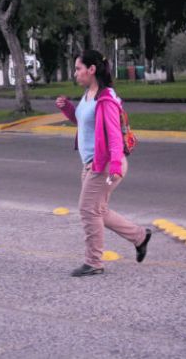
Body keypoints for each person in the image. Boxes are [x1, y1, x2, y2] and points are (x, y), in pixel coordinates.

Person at [55, 49, 152, 277]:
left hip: (106, 165)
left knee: (88, 209)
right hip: (91, 164)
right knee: (99, 210)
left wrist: (115, 165)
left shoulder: (106, 98)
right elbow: (84, 122)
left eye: (78, 68)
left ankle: (94, 262)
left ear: (91, 69)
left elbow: (115, 135)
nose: (75, 73)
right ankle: (139, 237)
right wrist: (68, 109)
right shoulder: (89, 94)